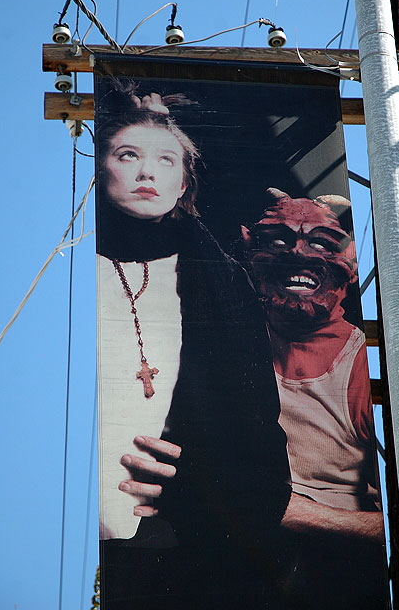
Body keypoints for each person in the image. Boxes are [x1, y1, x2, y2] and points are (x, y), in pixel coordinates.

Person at [95, 82, 292, 609]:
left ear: (184, 183)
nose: (145, 173)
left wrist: (193, 482)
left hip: (184, 544)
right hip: (71, 527)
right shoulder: (68, 270)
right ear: (100, 168)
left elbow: (255, 428)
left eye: (165, 160)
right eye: (127, 155)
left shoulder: (221, 284)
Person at [240, 189, 390, 609]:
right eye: (278, 240)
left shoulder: (363, 370)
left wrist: (298, 514)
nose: (298, 254)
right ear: (250, 251)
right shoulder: (226, 347)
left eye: (322, 243)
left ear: (352, 265)